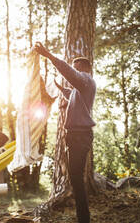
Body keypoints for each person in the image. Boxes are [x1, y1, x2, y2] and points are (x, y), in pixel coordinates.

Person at [34, 42, 96, 223]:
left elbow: (70, 74)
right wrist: (61, 89)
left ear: (85, 68)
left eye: (76, 68)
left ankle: (84, 219)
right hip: (74, 136)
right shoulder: (81, 88)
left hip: (80, 136)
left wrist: (49, 55)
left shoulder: (86, 80)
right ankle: (83, 217)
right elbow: (73, 94)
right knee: (75, 178)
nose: (73, 73)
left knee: (76, 178)